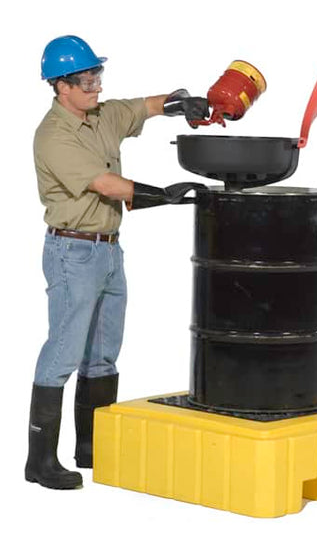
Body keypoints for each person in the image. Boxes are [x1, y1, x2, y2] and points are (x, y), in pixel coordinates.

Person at [25, 35, 209, 490]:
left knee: (103, 355)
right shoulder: (53, 135)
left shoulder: (102, 114)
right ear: (61, 86)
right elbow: (107, 185)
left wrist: (179, 102)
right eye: (87, 81)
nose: (97, 87)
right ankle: (40, 461)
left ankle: (91, 448)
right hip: (72, 254)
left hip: (109, 250)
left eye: (98, 76)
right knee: (64, 353)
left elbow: (142, 107)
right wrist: (163, 195)